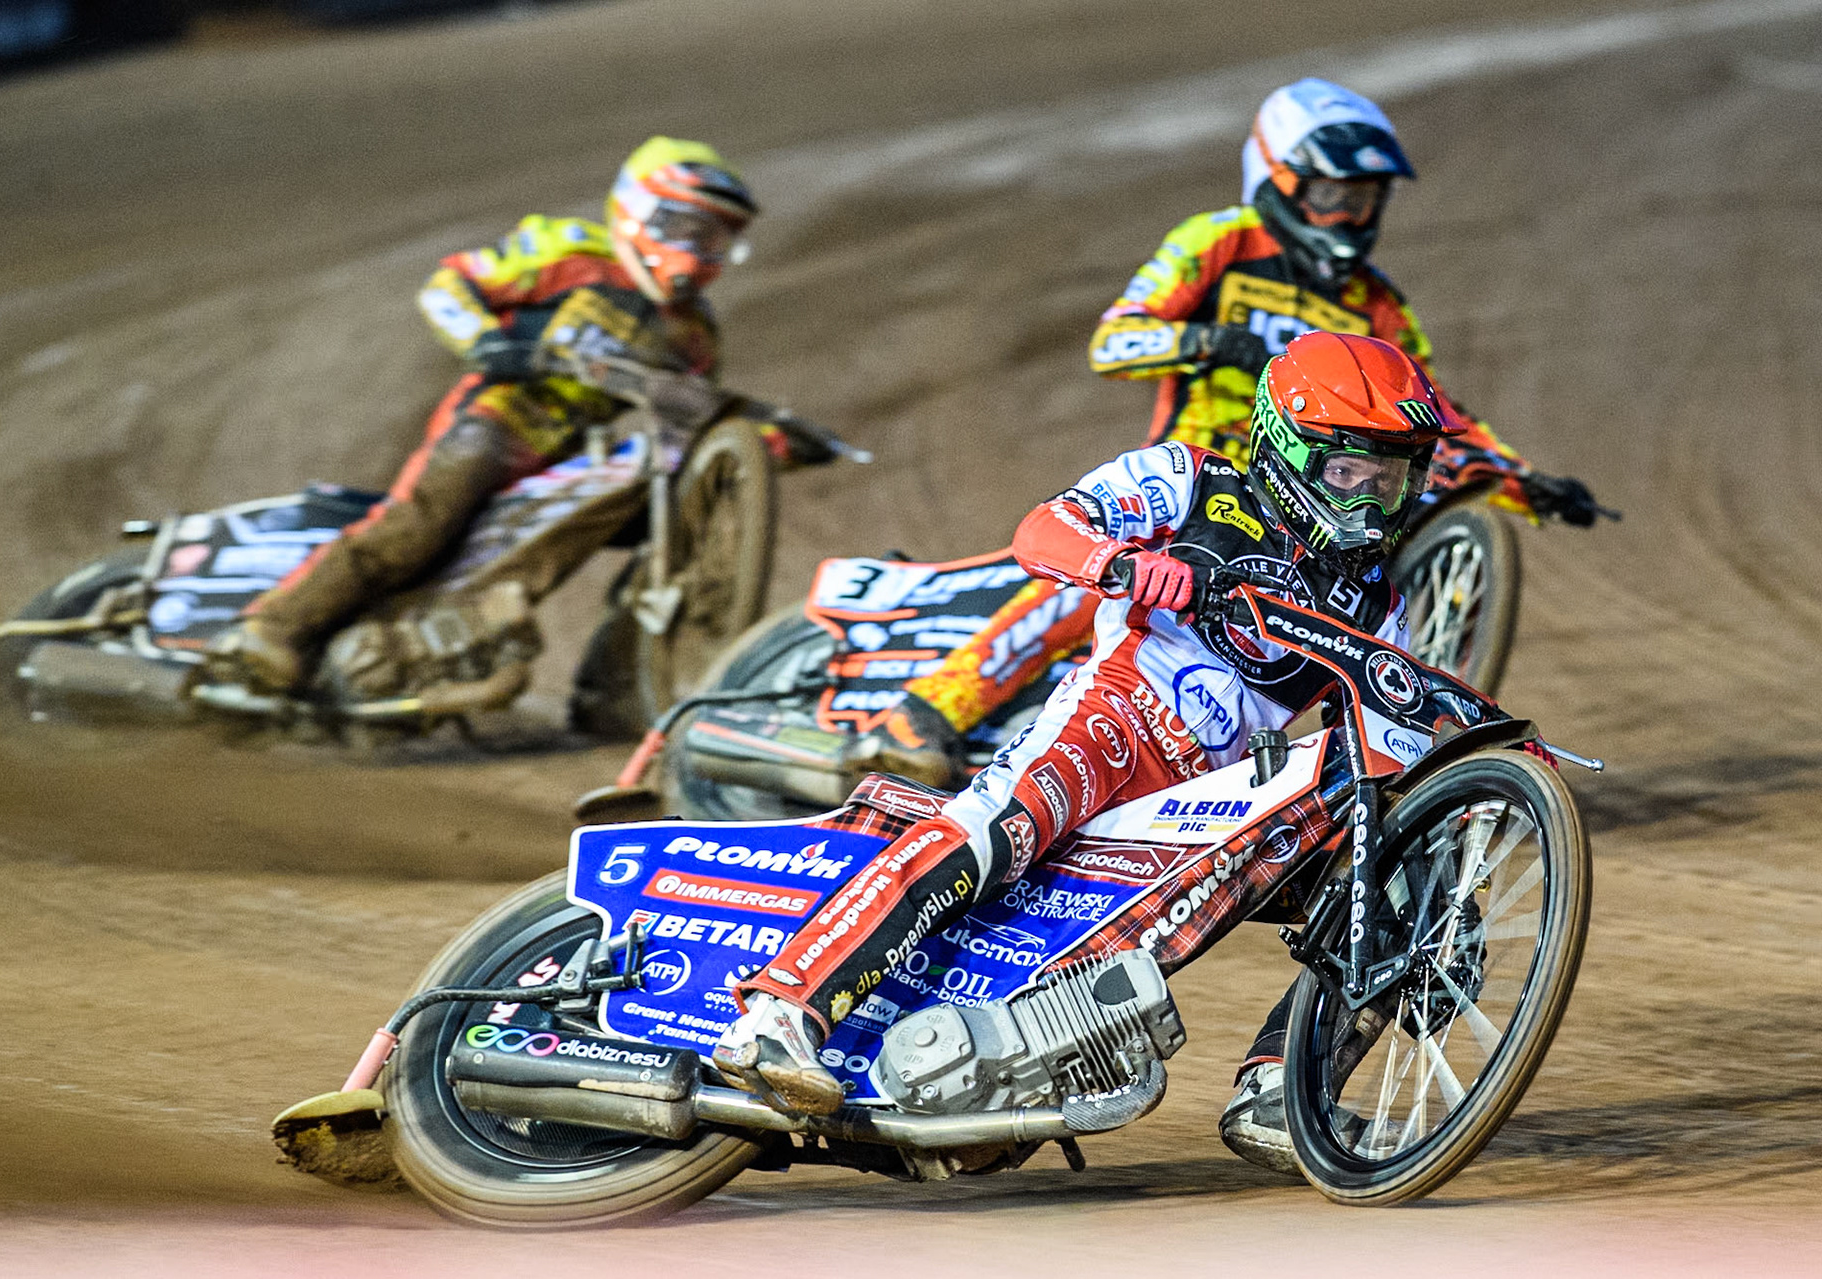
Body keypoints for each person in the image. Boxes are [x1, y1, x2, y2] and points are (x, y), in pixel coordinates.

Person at [713, 331, 1456, 1141]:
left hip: (1213, 800)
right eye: (1349, 473)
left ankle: (1278, 1094)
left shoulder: (1380, 600)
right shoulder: (1193, 479)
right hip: (1115, 718)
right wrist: (1124, 566)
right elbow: (1045, 530)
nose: (1368, 502)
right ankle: (783, 1012)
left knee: (1400, 894)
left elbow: (1380, 738)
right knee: (995, 831)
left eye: (1390, 480)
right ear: (1287, 447)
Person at [877, 78, 1600, 787]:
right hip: (1194, 484)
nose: (1348, 216)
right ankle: (920, 717)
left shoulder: (1378, 306)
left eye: (1363, 200)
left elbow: (1430, 415)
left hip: (1314, 505)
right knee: (1097, 575)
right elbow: (1115, 343)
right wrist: (1215, 344)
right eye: (1330, 196)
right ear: (1278, 180)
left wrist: (1528, 484)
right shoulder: (1220, 240)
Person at [204, 137, 761, 695]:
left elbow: (701, 424)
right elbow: (451, 285)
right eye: (689, 230)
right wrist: (489, 344)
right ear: (642, 212)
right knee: (419, 527)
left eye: (716, 239)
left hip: (570, 459)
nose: (700, 252)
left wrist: (772, 444)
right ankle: (272, 627)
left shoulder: (695, 333)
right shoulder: (568, 252)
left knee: (661, 520)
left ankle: (611, 690)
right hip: (498, 421)